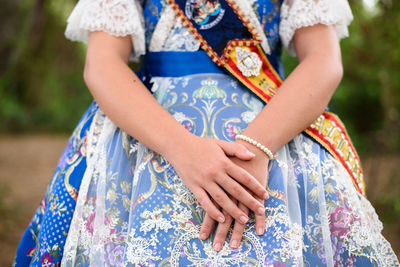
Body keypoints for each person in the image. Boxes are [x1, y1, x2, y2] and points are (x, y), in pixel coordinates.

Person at [13, 0, 400, 266]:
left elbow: (324, 60)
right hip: (148, 135)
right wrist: (181, 149)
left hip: (272, 134)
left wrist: (257, 147)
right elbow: (101, 64)